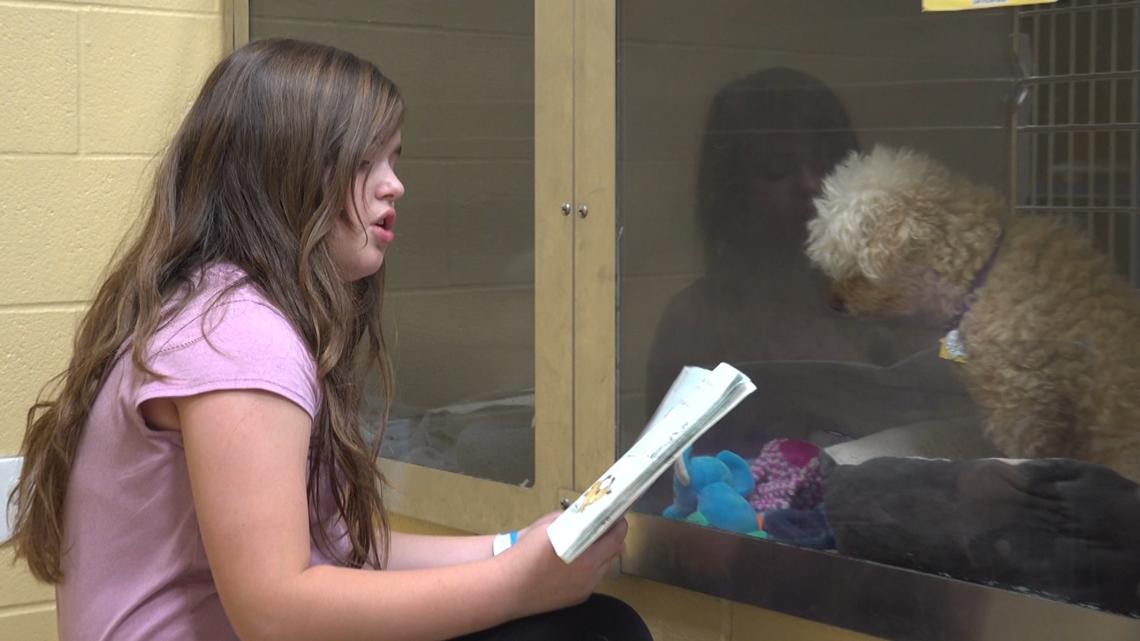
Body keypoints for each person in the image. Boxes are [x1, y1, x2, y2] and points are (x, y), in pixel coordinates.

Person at [5, 39, 652, 641]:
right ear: (285, 172)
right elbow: (274, 609)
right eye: (364, 160)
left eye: (394, 158)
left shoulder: (217, 304)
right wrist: (517, 585)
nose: (393, 183)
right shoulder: (235, 332)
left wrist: (511, 547)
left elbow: (339, 545)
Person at [642, 68, 941, 464]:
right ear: (733, 189)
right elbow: (663, 475)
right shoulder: (696, 318)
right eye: (776, 169)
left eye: (827, 165)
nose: (809, 184)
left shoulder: (887, 300)